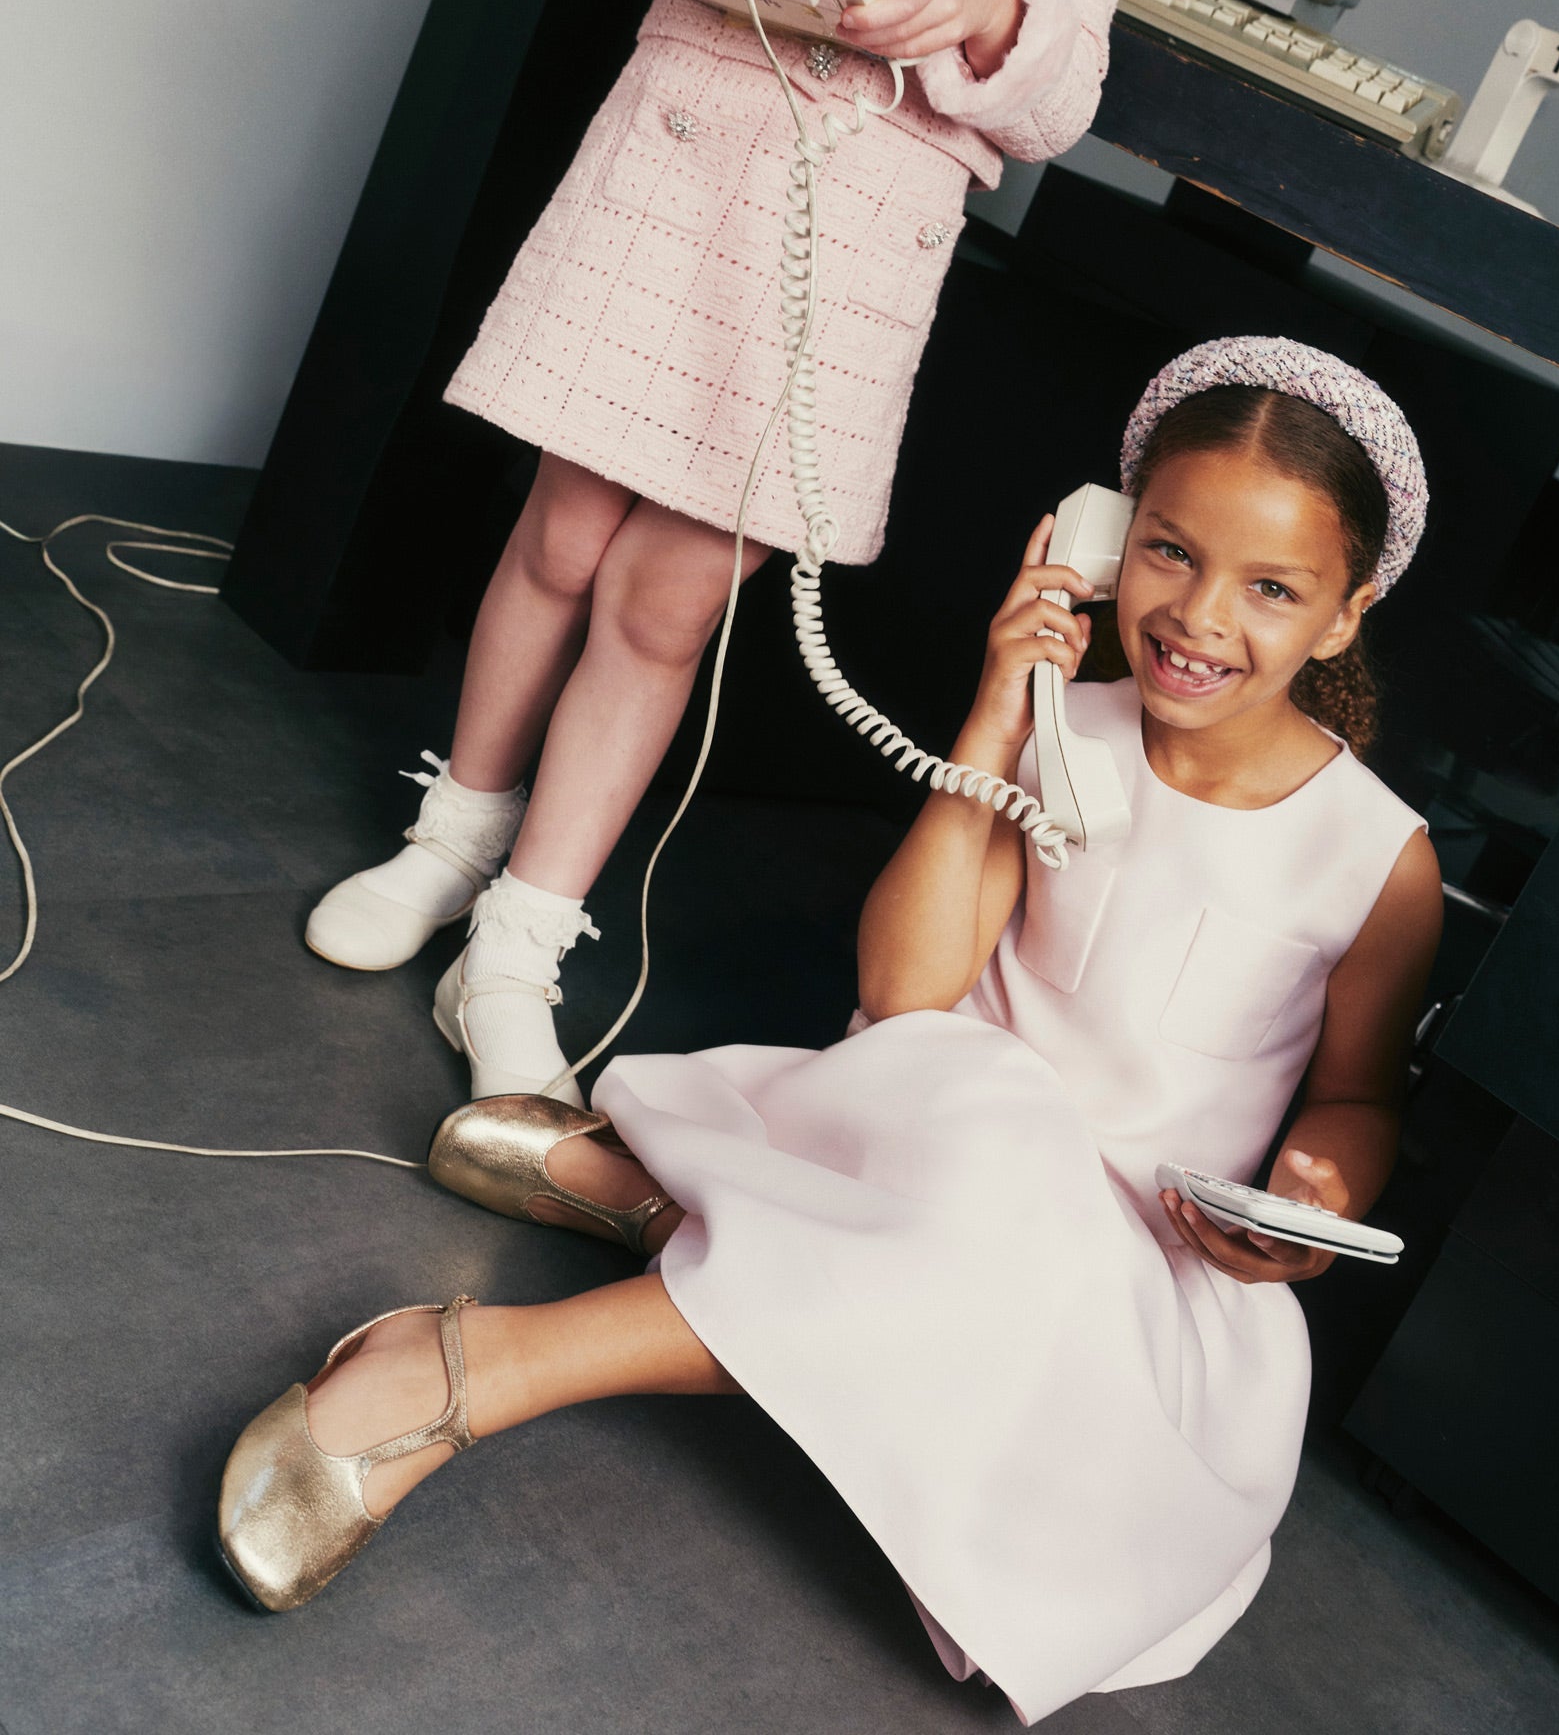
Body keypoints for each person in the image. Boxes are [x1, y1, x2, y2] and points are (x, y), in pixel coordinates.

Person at [298, 0, 1236, 1107]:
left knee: (666, 602)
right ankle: (453, 835)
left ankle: (528, 933)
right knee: (560, 536)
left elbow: (1063, 86)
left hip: (852, 248)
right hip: (674, 167)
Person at [219, 338, 1445, 1722]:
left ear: (1347, 615)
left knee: (1031, 1325)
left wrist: (1321, 1188)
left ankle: (674, 1209)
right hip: (942, 1133)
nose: (1199, 616)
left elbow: (1357, 1102)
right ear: (1105, 541)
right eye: (1166, 552)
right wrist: (994, 719)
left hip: (1134, 1255)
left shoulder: (1375, 857)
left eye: (1272, 589)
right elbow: (911, 991)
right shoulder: (1063, 728)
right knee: (991, 1172)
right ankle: (475, 1367)